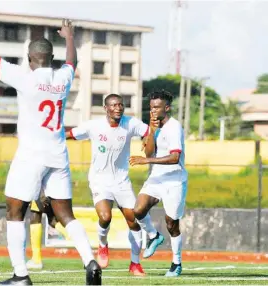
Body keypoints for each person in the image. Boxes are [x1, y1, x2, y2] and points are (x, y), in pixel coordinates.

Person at [0, 4, 102, 285]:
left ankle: (21, 276)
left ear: (29, 58)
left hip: (31, 156)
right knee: (65, 214)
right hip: (58, 154)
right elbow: (72, 62)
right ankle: (90, 261)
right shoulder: (63, 79)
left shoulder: (24, 77)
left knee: (14, 210)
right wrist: (69, 36)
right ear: (50, 58)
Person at [66, 94, 159, 276]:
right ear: (106, 108)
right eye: (114, 105)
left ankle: (135, 263)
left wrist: (148, 139)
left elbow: (149, 131)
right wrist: (50, 137)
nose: (118, 108)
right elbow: (70, 134)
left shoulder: (130, 123)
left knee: (133, 221)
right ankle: (102, 245)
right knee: (105, 216)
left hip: (122, 181)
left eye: (121, 105)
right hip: (99, 180)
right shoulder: (94, 126)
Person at [129, 89, 188, 277]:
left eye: (157, 107)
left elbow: (174, 158)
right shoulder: (153, 127)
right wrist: (152, 132)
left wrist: (146, 161)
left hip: (174, 179)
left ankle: (176, 262)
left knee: (172, 223)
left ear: (167, 108)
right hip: (156, 178)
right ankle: (154, 236)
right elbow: (148, 152)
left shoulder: (174, 127)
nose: (153, 111)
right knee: (137, 210)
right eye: (151, 107)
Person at [27, 194, 57, 269]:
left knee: (35, 212)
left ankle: (36, 259)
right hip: (60, 187)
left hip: (41, 189)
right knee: (65, 217)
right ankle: (87, 258)